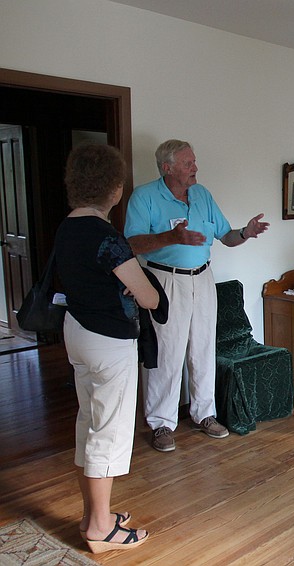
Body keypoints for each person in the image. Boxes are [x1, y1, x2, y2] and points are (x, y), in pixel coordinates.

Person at [124, 139, 269, 452]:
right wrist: (171, 237)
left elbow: (226, 236)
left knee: (203, 348)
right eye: (188, 164)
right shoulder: (145, 197)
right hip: (164, 281)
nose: (195, 168)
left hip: (203, 279)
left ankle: (205, 413)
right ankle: (161, 423)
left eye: (193, 162)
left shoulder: (202, 195)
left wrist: (246, 232)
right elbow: (131, 245)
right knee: (166, 353)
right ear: (168, 167)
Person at [55, 143, 160, 553]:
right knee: (109, 431)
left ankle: (92, 514)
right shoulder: (106, 236)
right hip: (108, 341)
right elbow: (147, 297)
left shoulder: (66, 227)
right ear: (113, 189)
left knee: (90, 422)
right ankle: (100, 529)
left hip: (77, 332)